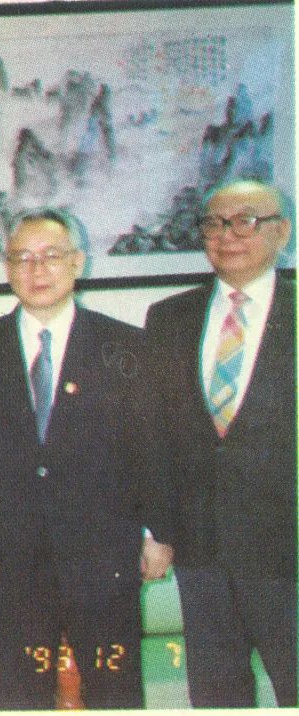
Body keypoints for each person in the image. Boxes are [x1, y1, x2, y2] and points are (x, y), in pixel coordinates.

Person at [0, 208, 174, 709]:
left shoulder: (125, 345)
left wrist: (156, 532)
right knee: (19, 685)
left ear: (78, 262)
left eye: (51, 256)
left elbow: (151, 447)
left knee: (114, 683)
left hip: (104, 551)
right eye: (23, 258)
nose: (37, 270)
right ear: (7, 268)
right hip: (15, 549)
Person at [144, 178, 296, 707]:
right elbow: (155, 437)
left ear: (282, 232)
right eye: (213, 223)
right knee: (215, 695)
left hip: (289, 550)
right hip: (202, 551)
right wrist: (157, 529)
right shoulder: (168, 318)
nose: (227, 234)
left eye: (245, 221)